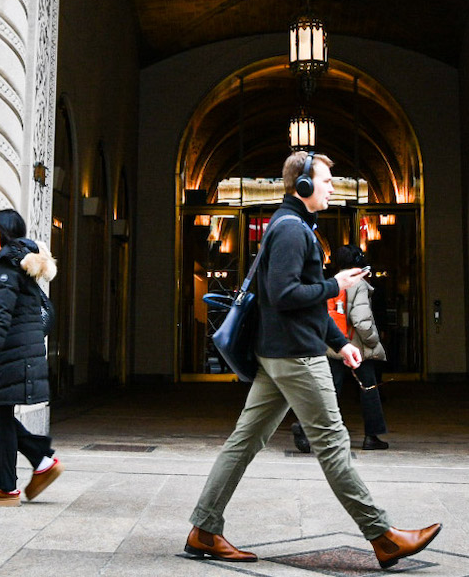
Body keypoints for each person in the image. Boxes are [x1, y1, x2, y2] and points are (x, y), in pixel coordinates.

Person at [184, 150, 442, 567]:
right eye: (325, 181)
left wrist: (341, 343)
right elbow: (286, 295)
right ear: (301, 187)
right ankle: (383, 536)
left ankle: (204, 529)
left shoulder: (296, 226)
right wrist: (334, 285)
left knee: (244, 442)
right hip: (297, 357)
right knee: (334, 444)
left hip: (279, 355)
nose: (331, 187)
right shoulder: (291, 231)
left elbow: (307, 304)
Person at [0, 208, 63, 507]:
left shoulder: (6, 267)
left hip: (12, 352)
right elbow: (17, 308)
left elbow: (5, 319)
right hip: (19, 350)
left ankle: (6, 486)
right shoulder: (15, 263)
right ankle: (40, 460)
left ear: (0, 232)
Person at [329, 244, 390, 450]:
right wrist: (373, 340)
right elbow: (361, 319)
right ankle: (371, 436)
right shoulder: (359, 284)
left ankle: (307, 429)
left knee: (329, 390)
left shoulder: (332, 282)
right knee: (369, 388)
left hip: (333, 344)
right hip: (356, 346)